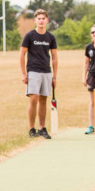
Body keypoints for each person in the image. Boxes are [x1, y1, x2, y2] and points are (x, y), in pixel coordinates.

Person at [20, 9, 58, 139]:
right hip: (33, 71)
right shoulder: (29, 36)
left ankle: (42, 128)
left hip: (46, 72)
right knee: (34, 99)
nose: (41, 21)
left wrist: (54, 76)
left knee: (43, 99)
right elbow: (22, 54)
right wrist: (24, 74)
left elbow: (54, 57)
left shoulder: (50, 37)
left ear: (46, 20)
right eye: (39, 18)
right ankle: (32, 128)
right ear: (35, 21)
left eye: (43, 18)